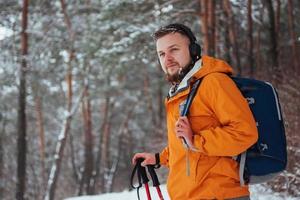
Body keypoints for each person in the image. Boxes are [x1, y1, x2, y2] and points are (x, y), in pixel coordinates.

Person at [132, 23, 258, 200]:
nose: (167, 59)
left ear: (193, 50)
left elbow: (245, 133)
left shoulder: (215, 82)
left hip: (220, 195)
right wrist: (159, 158)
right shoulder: (180, 93)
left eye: (174, 50)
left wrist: (195, 141)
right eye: (161, 54)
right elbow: (185, 146)